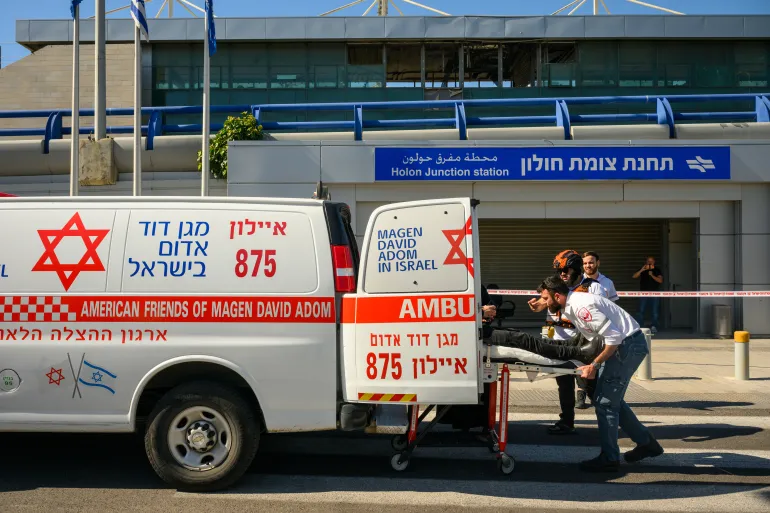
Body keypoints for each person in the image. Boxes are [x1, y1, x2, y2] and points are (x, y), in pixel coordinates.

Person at [538, 274, 664, 472]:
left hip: (625, 346)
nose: (544, 302)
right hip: (623, 345)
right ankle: (647, 444)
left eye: (546, 298)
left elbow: (614, 337)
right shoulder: (571, 304)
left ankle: (610, 458)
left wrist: (594, 365)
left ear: (557, 295)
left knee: (605, 403)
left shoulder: (581, 306)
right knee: (610, 400)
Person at [527, 250, 609, 434]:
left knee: (591, 388)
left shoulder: (593, 287)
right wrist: (538, 305)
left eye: (566, 270)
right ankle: (566, 422)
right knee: (564, 386)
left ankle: (609, 423)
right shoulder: (556, 285)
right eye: (559, 270)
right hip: (558, 343)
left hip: (583, 347)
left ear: (577, 269)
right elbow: (544, 302)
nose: (562, 274)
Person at [576, 251, 619, 409]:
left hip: (602, 328)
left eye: (591, 262)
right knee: (581, 359)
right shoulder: (578, 281)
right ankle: (580, 394)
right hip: (582, 327)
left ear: (598, 263)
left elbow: (613, 306)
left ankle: (594, 393)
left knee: (598, 361)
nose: (588, 265)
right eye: (585, 263)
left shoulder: (607, 283)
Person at [632, 256, 664, 334]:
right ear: (646, 262)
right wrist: (642, 270)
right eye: (648, 261)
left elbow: (660, 280)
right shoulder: (643, 269)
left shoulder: (657, 270)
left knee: (654, 311)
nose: (649, 263)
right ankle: (640, 327)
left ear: (654, 262)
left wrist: (652, 275)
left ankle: (654, 326)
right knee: (640, 311)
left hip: (655, 293)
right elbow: (634, 276)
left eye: (651, 261)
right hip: (643, 293)